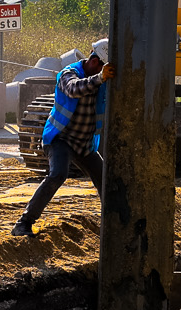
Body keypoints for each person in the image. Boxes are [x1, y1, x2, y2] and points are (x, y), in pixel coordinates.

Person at [12, 39, 113, 237]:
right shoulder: (69, 73)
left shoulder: (103, 79)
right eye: (103, 68)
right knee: (58, 174)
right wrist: (100, 78)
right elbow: (74, 89)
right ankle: (23, 224)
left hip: (85, 144)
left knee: (105, 180)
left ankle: (112, 225)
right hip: (61, 139)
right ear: (94, 62)